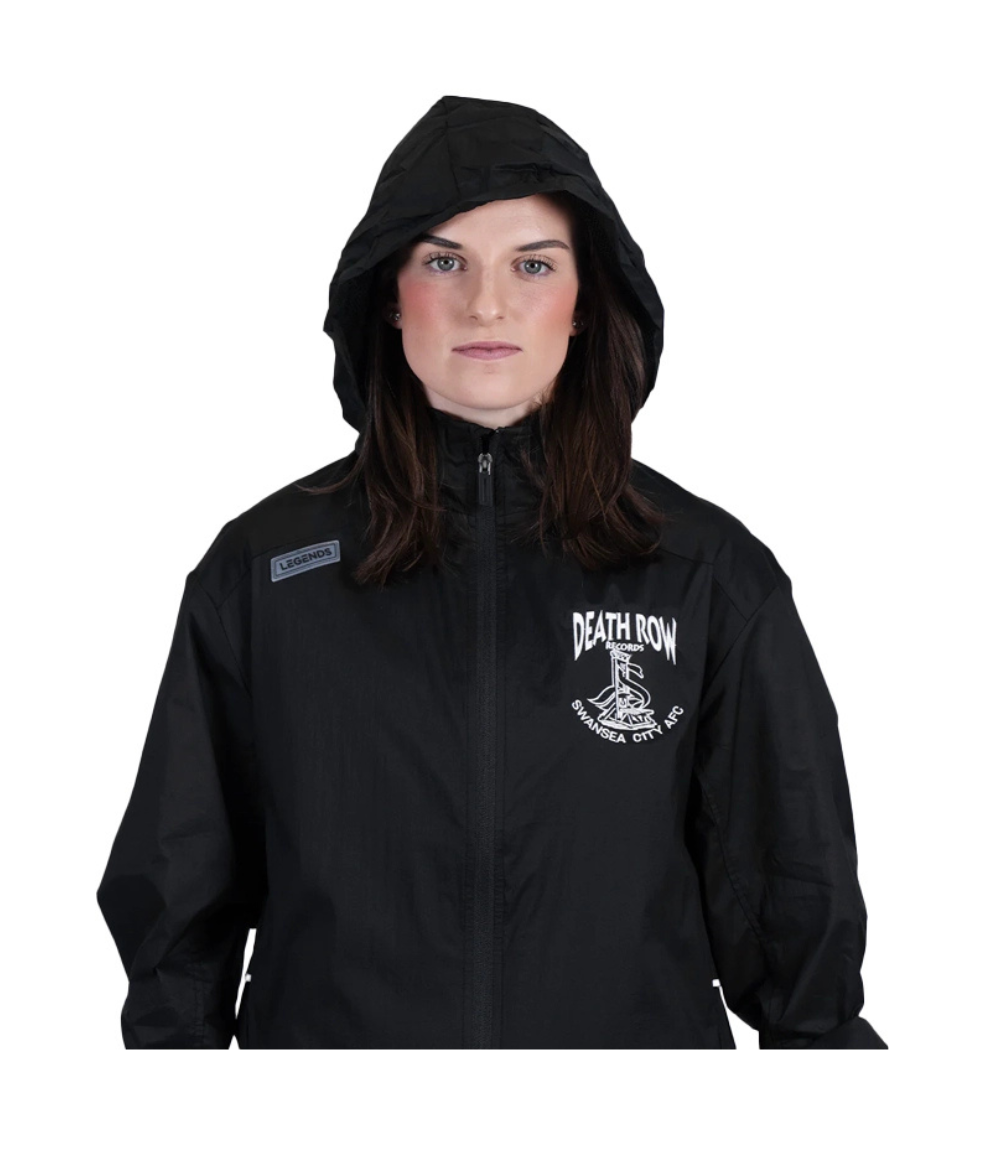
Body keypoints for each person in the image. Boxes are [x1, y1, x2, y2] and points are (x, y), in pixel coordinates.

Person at [96, 93, 887, 1049]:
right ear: (390, 294)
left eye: (533, 264)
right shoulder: (266, 572)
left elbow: (793, 903)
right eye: (444, 261)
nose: (486, 304)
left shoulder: (703, 572)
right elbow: (179, 910)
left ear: (586, 300)